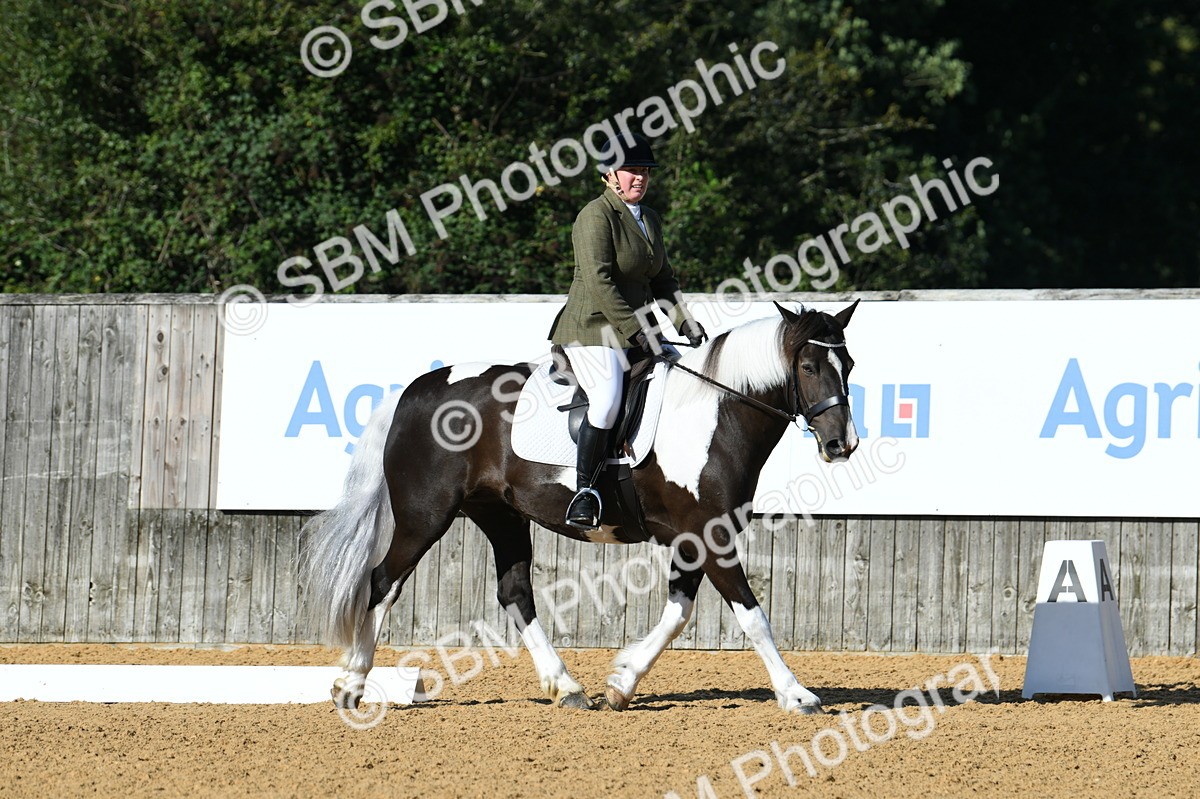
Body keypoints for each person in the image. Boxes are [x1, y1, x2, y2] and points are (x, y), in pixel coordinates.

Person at [546, 133, 707, 531]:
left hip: (636, 329)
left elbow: (664, 281)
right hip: (592, 328)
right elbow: (601, 283)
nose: (640, 178)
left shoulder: (649, 218)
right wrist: (638, 330)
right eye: (632, 170)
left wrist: (686, 323)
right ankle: (585, 492)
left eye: (645, 171)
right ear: (609, 175)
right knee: (606, 400)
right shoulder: (595, 216)